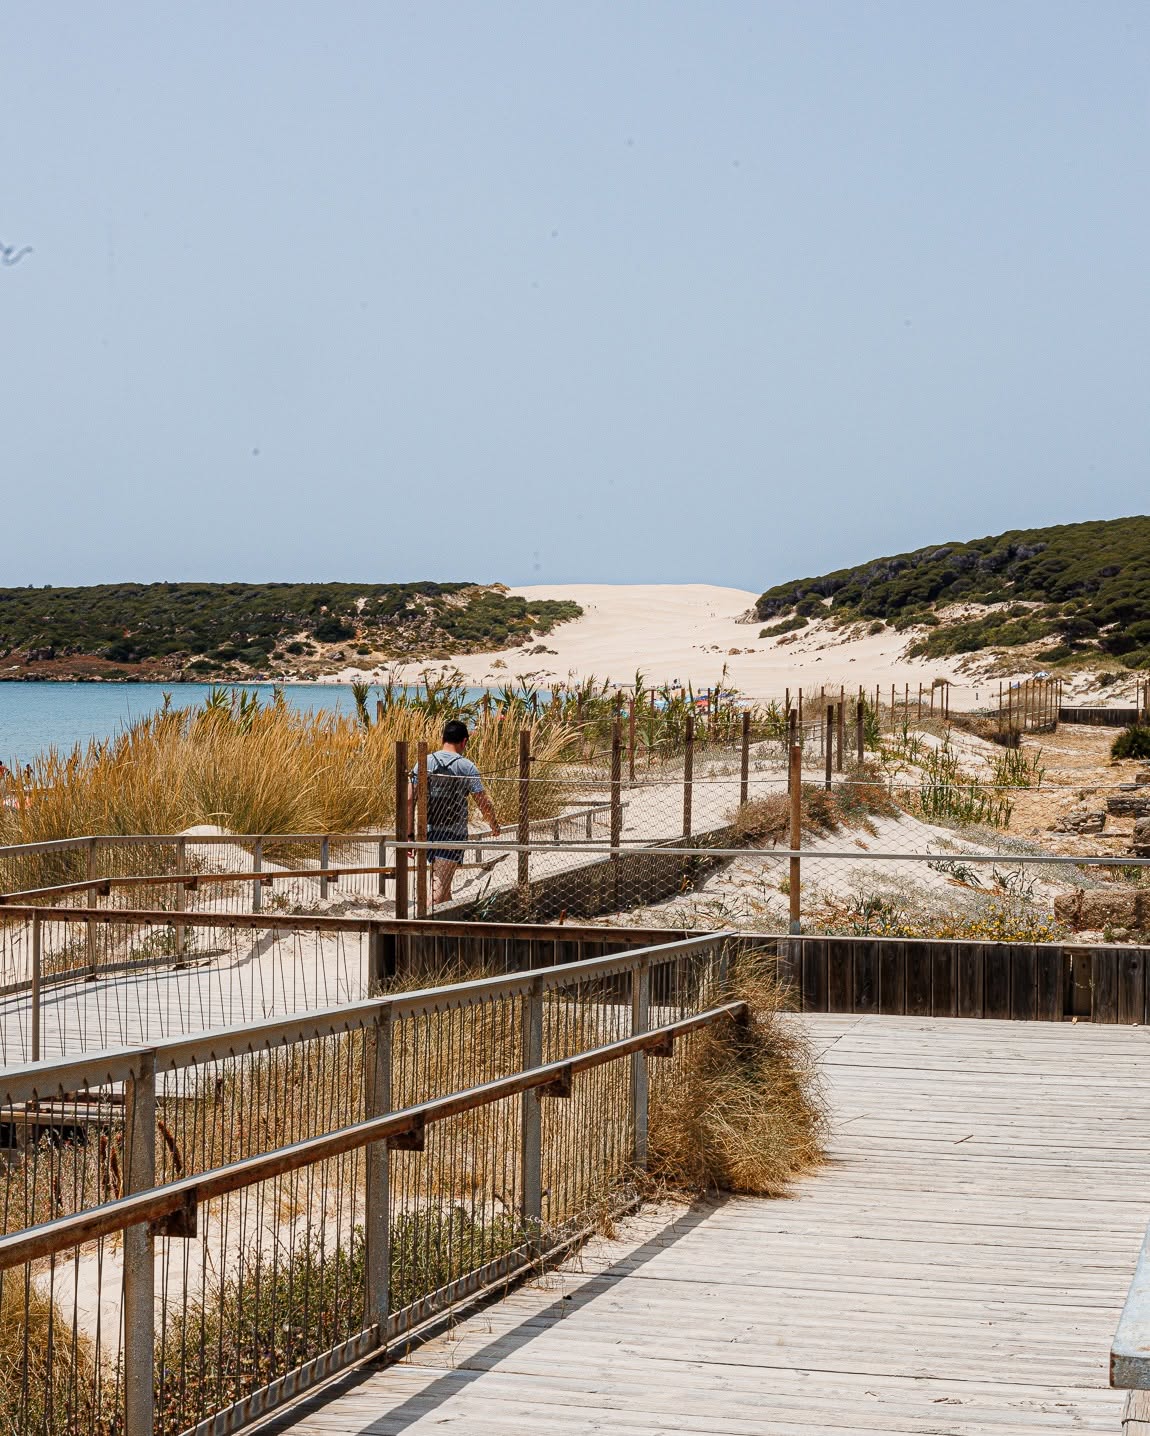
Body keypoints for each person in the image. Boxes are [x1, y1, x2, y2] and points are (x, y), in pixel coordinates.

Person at [409, 720, 500, 905]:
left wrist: (409, 835)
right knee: (438, 892)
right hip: (453, 835)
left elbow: (409, 799)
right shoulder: (467, 767)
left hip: (427, 833)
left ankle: (450, 926)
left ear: (442, 738)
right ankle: (424, 929)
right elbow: (483, 802)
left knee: (444, 887)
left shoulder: (423, 762)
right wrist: (493, 824)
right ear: (464, 742)